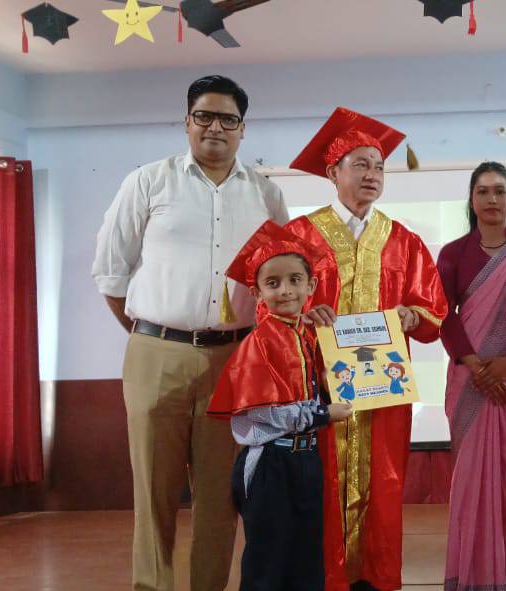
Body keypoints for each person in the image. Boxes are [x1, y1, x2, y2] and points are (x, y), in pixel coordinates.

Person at [92, 75, 288, 591]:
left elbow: (283, 275)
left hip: (235, 359)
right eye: (204, 116)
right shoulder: (148, 182)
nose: (215, 128)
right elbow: (111, 273)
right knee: (153, 493)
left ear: (243, 129)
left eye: (228, 119)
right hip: (156, 352)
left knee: (221, 496)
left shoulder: (266, 194)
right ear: (187, 122)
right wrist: (154, 333)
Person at [284, 106, 449, 591]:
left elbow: (433, 312)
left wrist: (412, 315)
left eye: (378, 166)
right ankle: (325, 577)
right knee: (320, 483)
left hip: (383, 392)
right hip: (318, 389)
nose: (372, 174)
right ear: (332, 172)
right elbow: (271, 308)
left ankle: (375, 578)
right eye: (360, 164)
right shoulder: (300, 237)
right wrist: (304, 314)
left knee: (384, 482)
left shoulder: (403, 241)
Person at [206, 220, 354, 591]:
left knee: (306, 560)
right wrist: (323, 414)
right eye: (273, 283)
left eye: (294, 280)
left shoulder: (306, 336)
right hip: (270, 464)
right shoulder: (258, 343)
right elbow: (260, 416)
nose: (285, 290)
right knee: (268, 562)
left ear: (311, 286)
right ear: (256, 292)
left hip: (306, 459)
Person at [437, 162, 506, 591]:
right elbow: (443, 314)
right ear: (472, 199)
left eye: (499, 191)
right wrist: (476, 364)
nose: (492, 199)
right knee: (471, 483)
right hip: (470, 379)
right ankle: (475, 578)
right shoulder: (453, 253)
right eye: (483, 191)